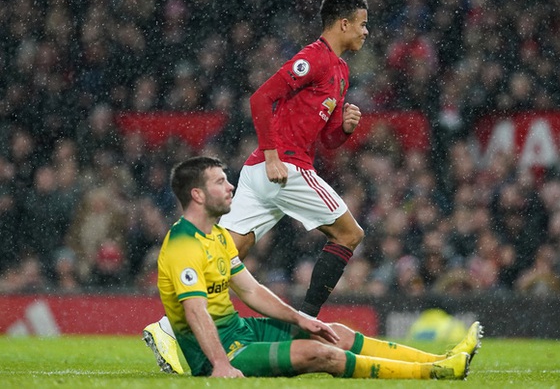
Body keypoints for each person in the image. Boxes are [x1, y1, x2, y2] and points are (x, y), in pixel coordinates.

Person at [144, 0, 375, 371]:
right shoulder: (313, 58)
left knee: (226, 252)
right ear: (344, 23)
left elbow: (328, 138)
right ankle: (309, 321)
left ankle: (171, 328)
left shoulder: (342, 71)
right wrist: (271, 154)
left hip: (266, 171)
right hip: (283, 166)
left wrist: (346, 129)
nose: (367, 32)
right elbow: (260, 98)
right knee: (350, 234)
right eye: (363, 24)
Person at [143, 156, 482, 379]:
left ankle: (439, 360)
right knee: (323, 355)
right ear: (198, 195)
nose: (230, 186)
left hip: (239, 330)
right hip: (222, 350)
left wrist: (300, 318)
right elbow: (195, 312)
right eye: (220, 182)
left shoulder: (215, 234)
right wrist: (219, 364)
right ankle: (437, 374)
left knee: (335, 333)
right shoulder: (183, 245)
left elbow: (250, 289)